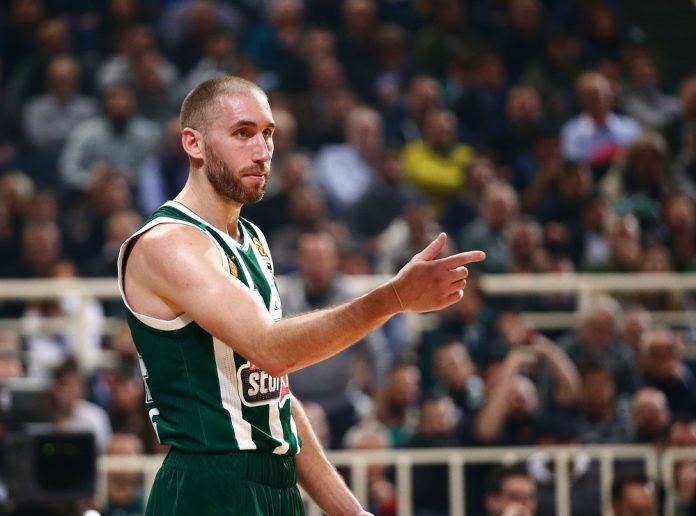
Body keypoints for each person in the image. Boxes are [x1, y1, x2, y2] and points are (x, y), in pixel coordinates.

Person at [116, 75, 485, 515]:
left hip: (276, 484)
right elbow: (272, 350)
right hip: (209, 485)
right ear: (193, 143)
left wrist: (353, 512)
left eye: (268, 134)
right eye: (242, 133)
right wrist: (393, 298)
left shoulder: (252, 240)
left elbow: (277, 401)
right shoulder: (168, 242)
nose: (262, 150)